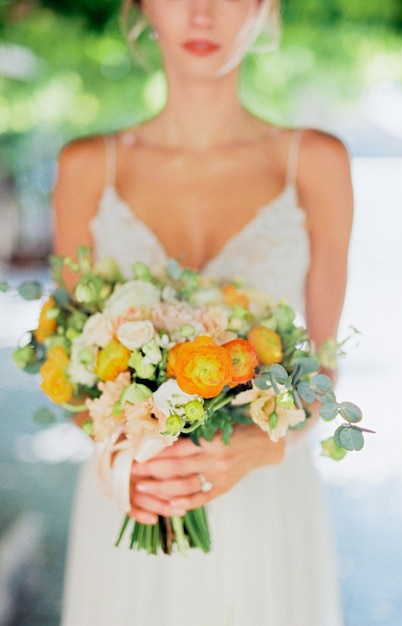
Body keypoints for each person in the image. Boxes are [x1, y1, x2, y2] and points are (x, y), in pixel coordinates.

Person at [55, 0, 353, 624]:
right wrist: (119, 467)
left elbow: (325, 368)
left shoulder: (315, 163)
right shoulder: (86, 167)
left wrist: (266, 448)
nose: (201, 12)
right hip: (136, 496)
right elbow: (71, 363)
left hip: (266, 495)